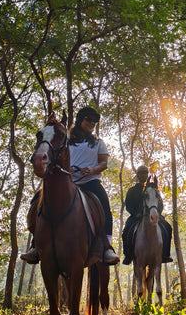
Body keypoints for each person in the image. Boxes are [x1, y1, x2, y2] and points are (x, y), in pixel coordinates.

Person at [21, 106, 119, 266]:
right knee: (37, 199)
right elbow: (57, 156)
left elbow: (103, 163)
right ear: (81, 119)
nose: (92, 123)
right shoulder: (66, 140)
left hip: (90, 182)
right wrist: (67, 168)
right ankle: (35, 244)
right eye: (89, 119)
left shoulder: (98, 143)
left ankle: (106, 246)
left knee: (105, 206)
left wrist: (92, 169)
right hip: (67, 180)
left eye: (95, 121)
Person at [121, 165, 173, 265]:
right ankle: (128, 255)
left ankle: (165, 254)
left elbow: (160, 203)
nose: (143, 175)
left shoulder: (153, 189)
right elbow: (128, 205)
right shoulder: (132, 190)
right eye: (141, 174)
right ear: (137, 175)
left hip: (153, 216)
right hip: (136, 217)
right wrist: (135, 214)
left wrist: (157, 212)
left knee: (168, 227)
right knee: (126, 231)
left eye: (145, 173)